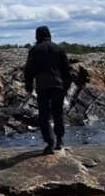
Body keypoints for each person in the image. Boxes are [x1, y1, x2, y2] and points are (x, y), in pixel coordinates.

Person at [23, 26, 72, 155]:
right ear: (49, 35)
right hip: (58, 86)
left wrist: (29, 88)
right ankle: (60, 141)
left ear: (37, 36)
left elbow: (28, 71)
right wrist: (66, 88)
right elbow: (67, 71)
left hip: (43, 87)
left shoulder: (34, 50)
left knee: (44, 116)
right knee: (58, 113)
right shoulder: (59, 49)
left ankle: (50, 143)